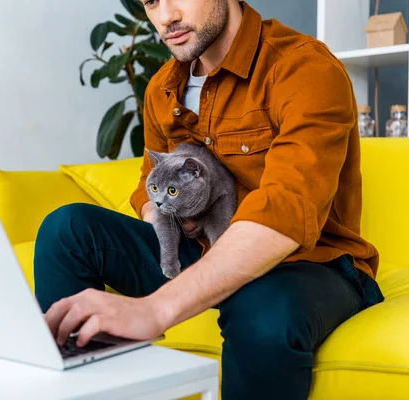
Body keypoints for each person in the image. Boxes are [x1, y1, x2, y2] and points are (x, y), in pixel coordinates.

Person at [33, 1, 385, 399]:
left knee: (263, 315)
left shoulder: (303, 68)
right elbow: (149, 181)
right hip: (200, 250)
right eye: (150, 2)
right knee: (68, 231)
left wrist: (156, 308)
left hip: (310, 265)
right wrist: (167, 216)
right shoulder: (162, 89)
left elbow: (286, 209)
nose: (165, 18)